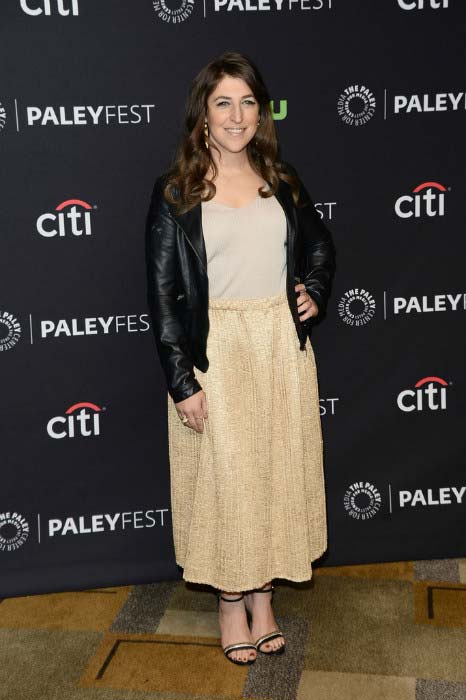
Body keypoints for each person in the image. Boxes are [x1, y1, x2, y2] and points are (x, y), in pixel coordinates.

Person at [145, 50, 336, 666]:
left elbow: (319, 243)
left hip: (280, 346)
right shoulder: (176, 191)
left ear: (262, 112)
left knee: (274, 474)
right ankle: (232, 601)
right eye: (223, 101)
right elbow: (164, 296)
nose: (236, 114)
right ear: (203, 112)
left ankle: (264, 598)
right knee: (230, 483)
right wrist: (182, 382)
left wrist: (313, 288)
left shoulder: (282, 178)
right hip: (216, 353)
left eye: (248, 101)